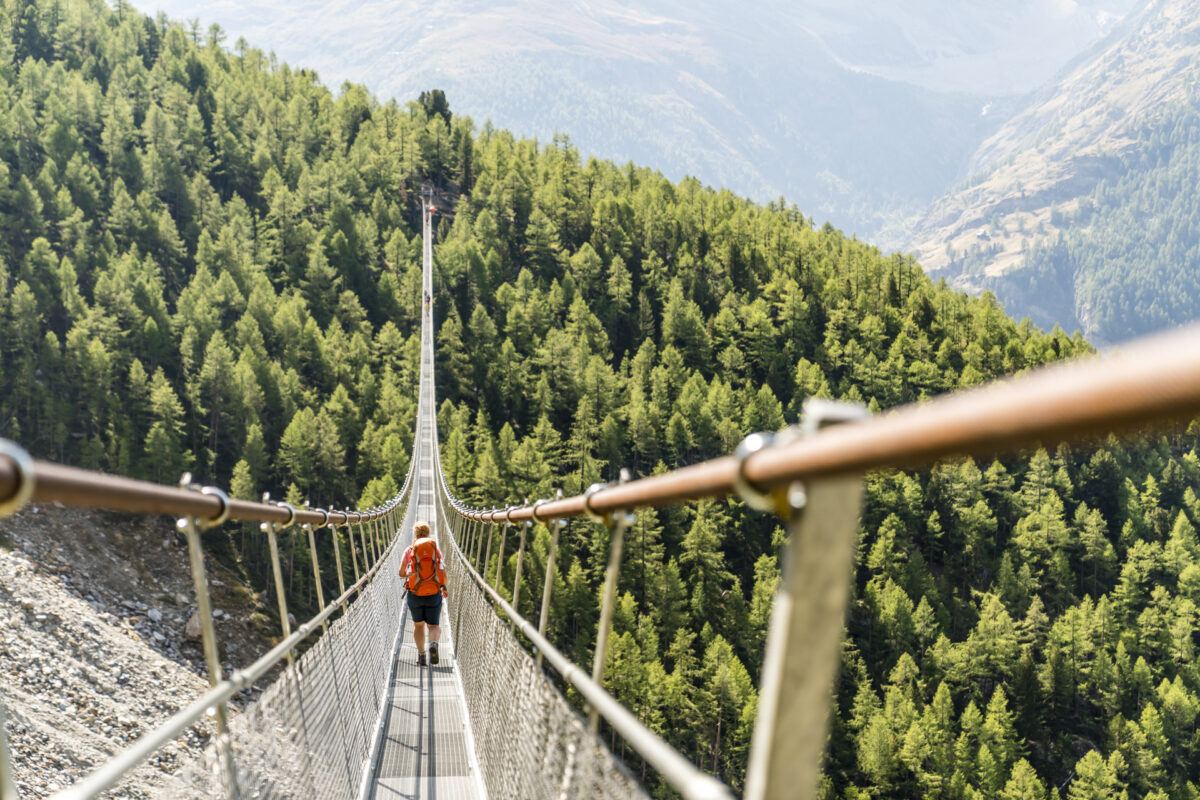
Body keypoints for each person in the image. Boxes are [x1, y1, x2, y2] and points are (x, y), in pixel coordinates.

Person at [399, 521, 448, 666]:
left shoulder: (409, 550)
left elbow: (401, 573)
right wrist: (444, 587)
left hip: (415, 593)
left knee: (418, 625)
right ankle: (433, 644)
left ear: (415, 534)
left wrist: (411, 574)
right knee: (433, 626)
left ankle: (421, 656)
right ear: (428, 534)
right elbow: (442, 571)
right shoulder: (435, 550)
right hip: (433, 593)